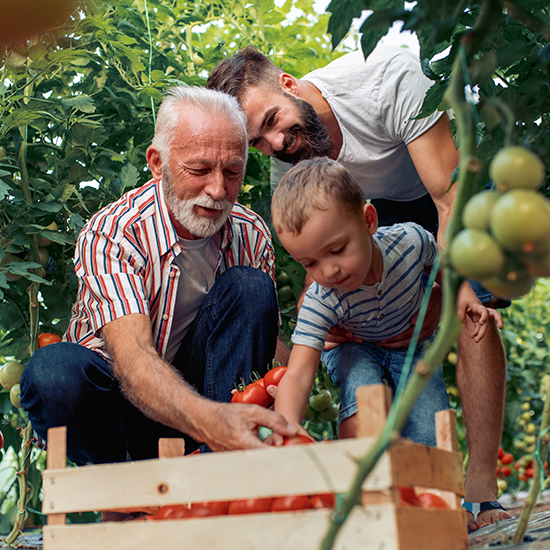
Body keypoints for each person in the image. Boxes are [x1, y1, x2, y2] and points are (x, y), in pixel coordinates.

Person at [207, 45, 510, 530]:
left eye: (272, 121)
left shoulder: (387, 80)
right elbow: (315, 260)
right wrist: (312, 339)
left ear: (288, 83)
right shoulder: (294, 159)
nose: (277, 143)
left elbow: (448, 201)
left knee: (473, 308)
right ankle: (394, 496)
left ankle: (481, 486)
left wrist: (449, 295)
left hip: (444, 186)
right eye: (258, 143)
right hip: (365, 212)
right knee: (348, 323)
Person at [20, 86, 298, 469]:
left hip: (205, 410)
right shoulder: (115, 232)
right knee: (52, 372)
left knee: (251, 287)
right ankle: (120, 493)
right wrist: (213, 421)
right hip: (119, 412)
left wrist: (308, 357)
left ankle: (220, 470)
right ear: (157, 163)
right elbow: (133, 359)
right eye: (199, 170)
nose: (218, 190)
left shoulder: (250, 232)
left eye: (232, 171)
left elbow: (260, 347)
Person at [271, 157, 502, 448]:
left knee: (429, 435)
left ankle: (428, 489)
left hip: (410, 347)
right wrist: (286, 426)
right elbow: (298, 374)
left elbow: (442, 266)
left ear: (369, 220)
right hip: (353, 348)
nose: (329, 271)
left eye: (338, 249)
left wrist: (465, 295)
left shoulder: (411, 242)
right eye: (310, 263)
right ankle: (359, 478)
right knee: (362, 391)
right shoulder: (322, 298)